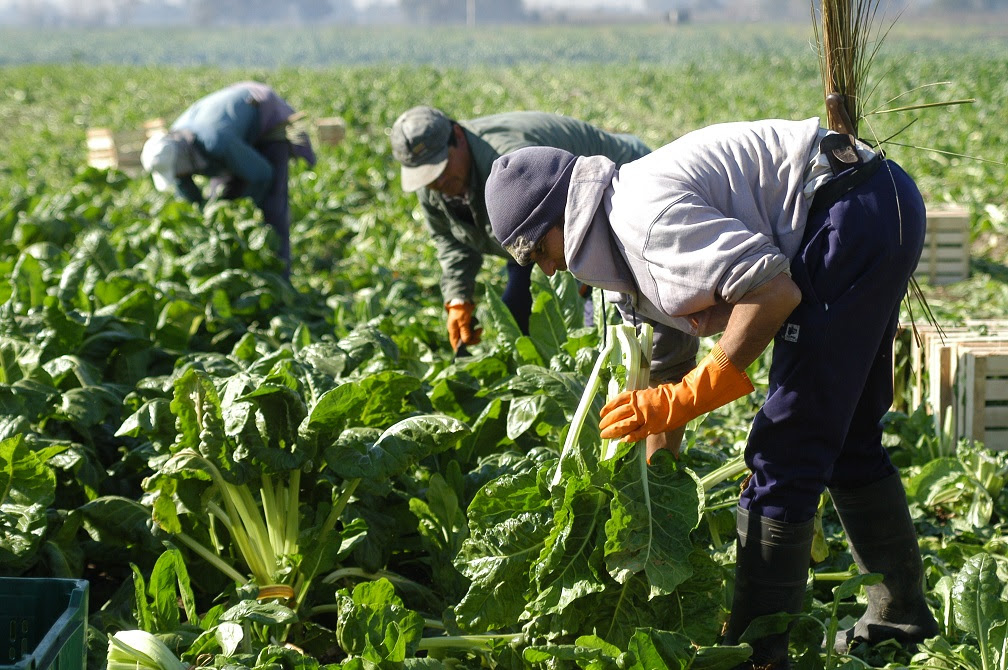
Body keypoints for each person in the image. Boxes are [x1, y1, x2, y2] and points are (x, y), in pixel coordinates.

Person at [483, 119, 939, 669]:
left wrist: (703, 388)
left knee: (785, 450)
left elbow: (772, 292)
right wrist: (656, 495)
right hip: (876, 203)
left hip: (852, 216)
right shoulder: (620, 244)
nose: (548, 269)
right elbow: (667, 365)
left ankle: (755, 654)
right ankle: (898, 620)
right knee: (846, 438)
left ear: (562, 217)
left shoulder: (642, 222)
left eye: (539, 252)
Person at [390, 105, 653, 353]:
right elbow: (451, 240)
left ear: (457, 135)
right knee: (518, 312)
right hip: (537, 236)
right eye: (426, 177)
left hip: (613, 195)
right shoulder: (436, 188)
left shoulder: (510, 162)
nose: (437, 181)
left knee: (607, 323)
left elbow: (570, 219)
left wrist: (584, 272)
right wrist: (458, 298)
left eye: (441, 167)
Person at [140, 81, 316, 277]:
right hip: (233, 131)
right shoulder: (176, 149)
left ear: (180, 161)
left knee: (272, 207)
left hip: (265, 118)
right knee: (220, 203)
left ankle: (281, 279)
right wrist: (204, 218)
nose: (179, 177)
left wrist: (243, 209)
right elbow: (187, 190)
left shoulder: (216, 142)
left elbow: (262, 174)